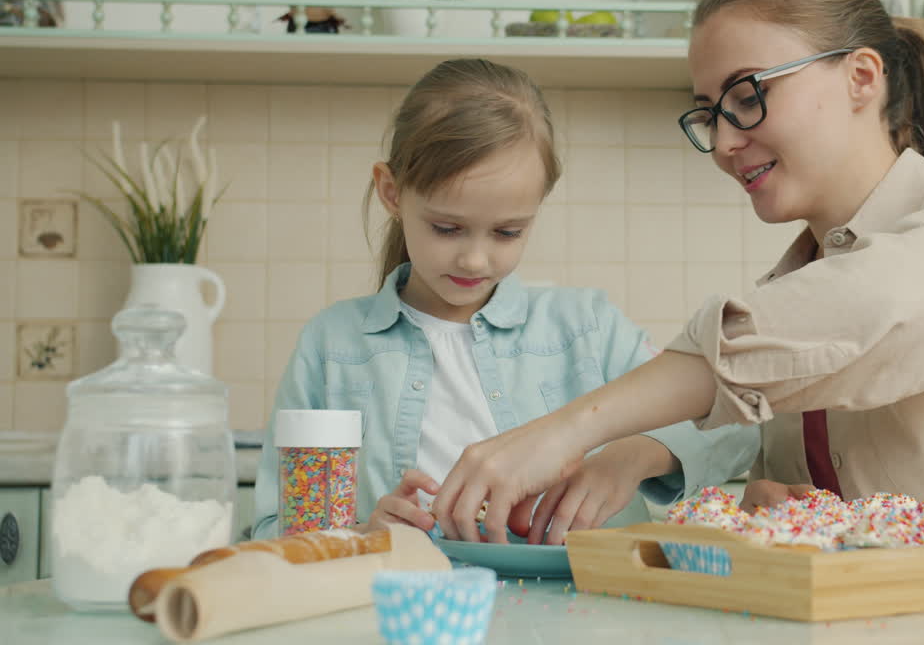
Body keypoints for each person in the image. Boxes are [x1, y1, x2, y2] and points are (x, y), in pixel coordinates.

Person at [430, 0, 924, 545]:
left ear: (861, 78)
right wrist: (777, 511)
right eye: (709, 113)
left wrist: (568, 430)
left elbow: (873, 307)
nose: (726, 143)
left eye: (748, 95)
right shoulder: (792, 287)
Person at [252, 59, 758, 543]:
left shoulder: (584, 330)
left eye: (507, 231)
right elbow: (276, 529)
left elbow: (738, 427)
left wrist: (630, 457)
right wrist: (362, 536)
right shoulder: (333, 346)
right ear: (391, 192)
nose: (475, 259)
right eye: (446, 228)